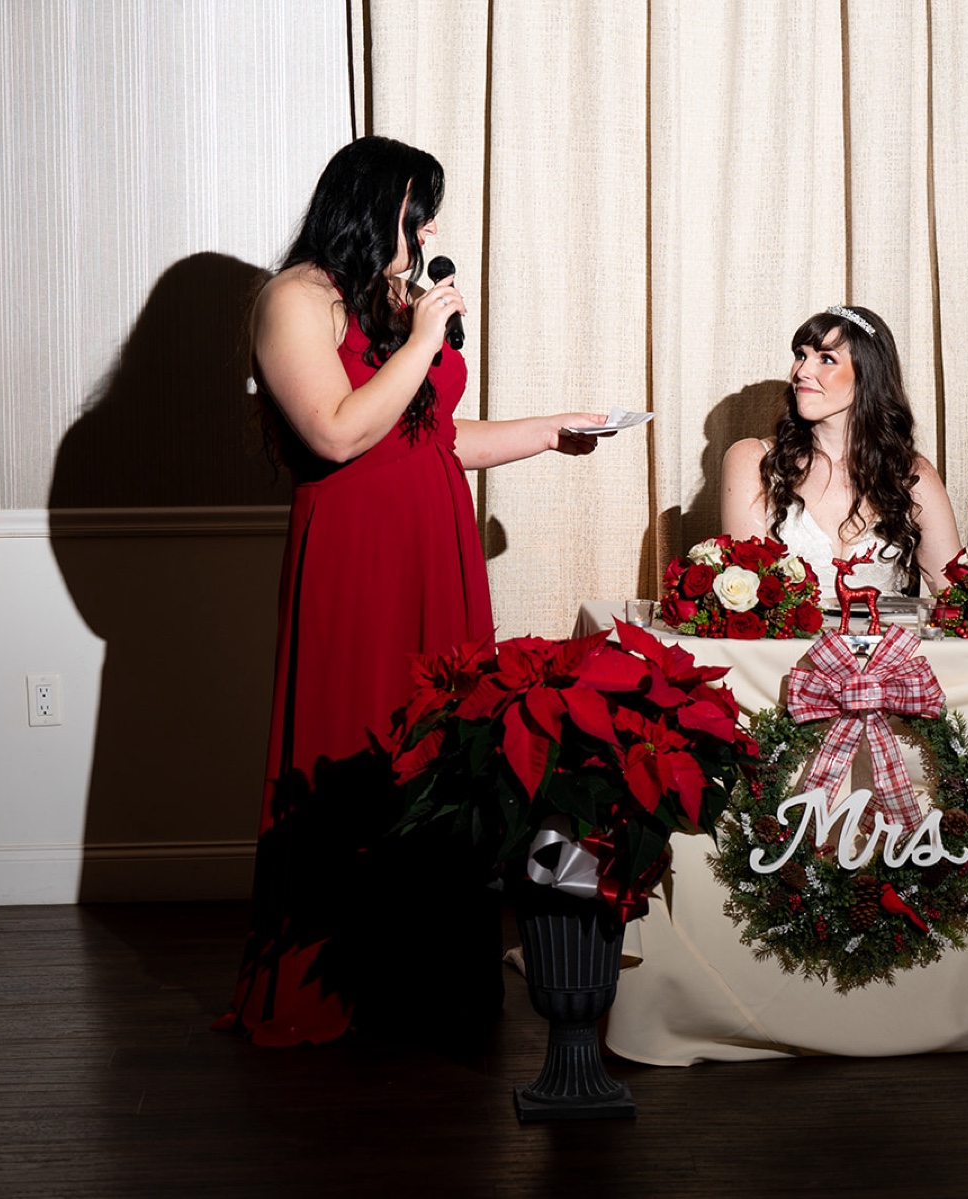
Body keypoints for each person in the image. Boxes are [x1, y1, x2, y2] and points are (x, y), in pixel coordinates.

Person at [218, 135, 603, 1046]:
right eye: (415, 210)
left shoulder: (386, 302)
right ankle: (337, 988)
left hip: (438, 551)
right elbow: (342, 433)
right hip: (358, 559)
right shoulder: (296, 299)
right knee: (357, 736)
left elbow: (429, 437)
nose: (427, 230)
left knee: (440, 755)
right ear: (370, 205)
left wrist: (553, 430)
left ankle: (426, 986)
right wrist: (428, 333)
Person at [720, 305, 961, 599]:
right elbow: (749, 592)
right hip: (786, 645)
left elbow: (955, 595)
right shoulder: (752, 461)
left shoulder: (911, 474)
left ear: (867, 375)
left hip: (883, 644)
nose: (802, 371)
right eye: (801, 355)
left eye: (826, 359)